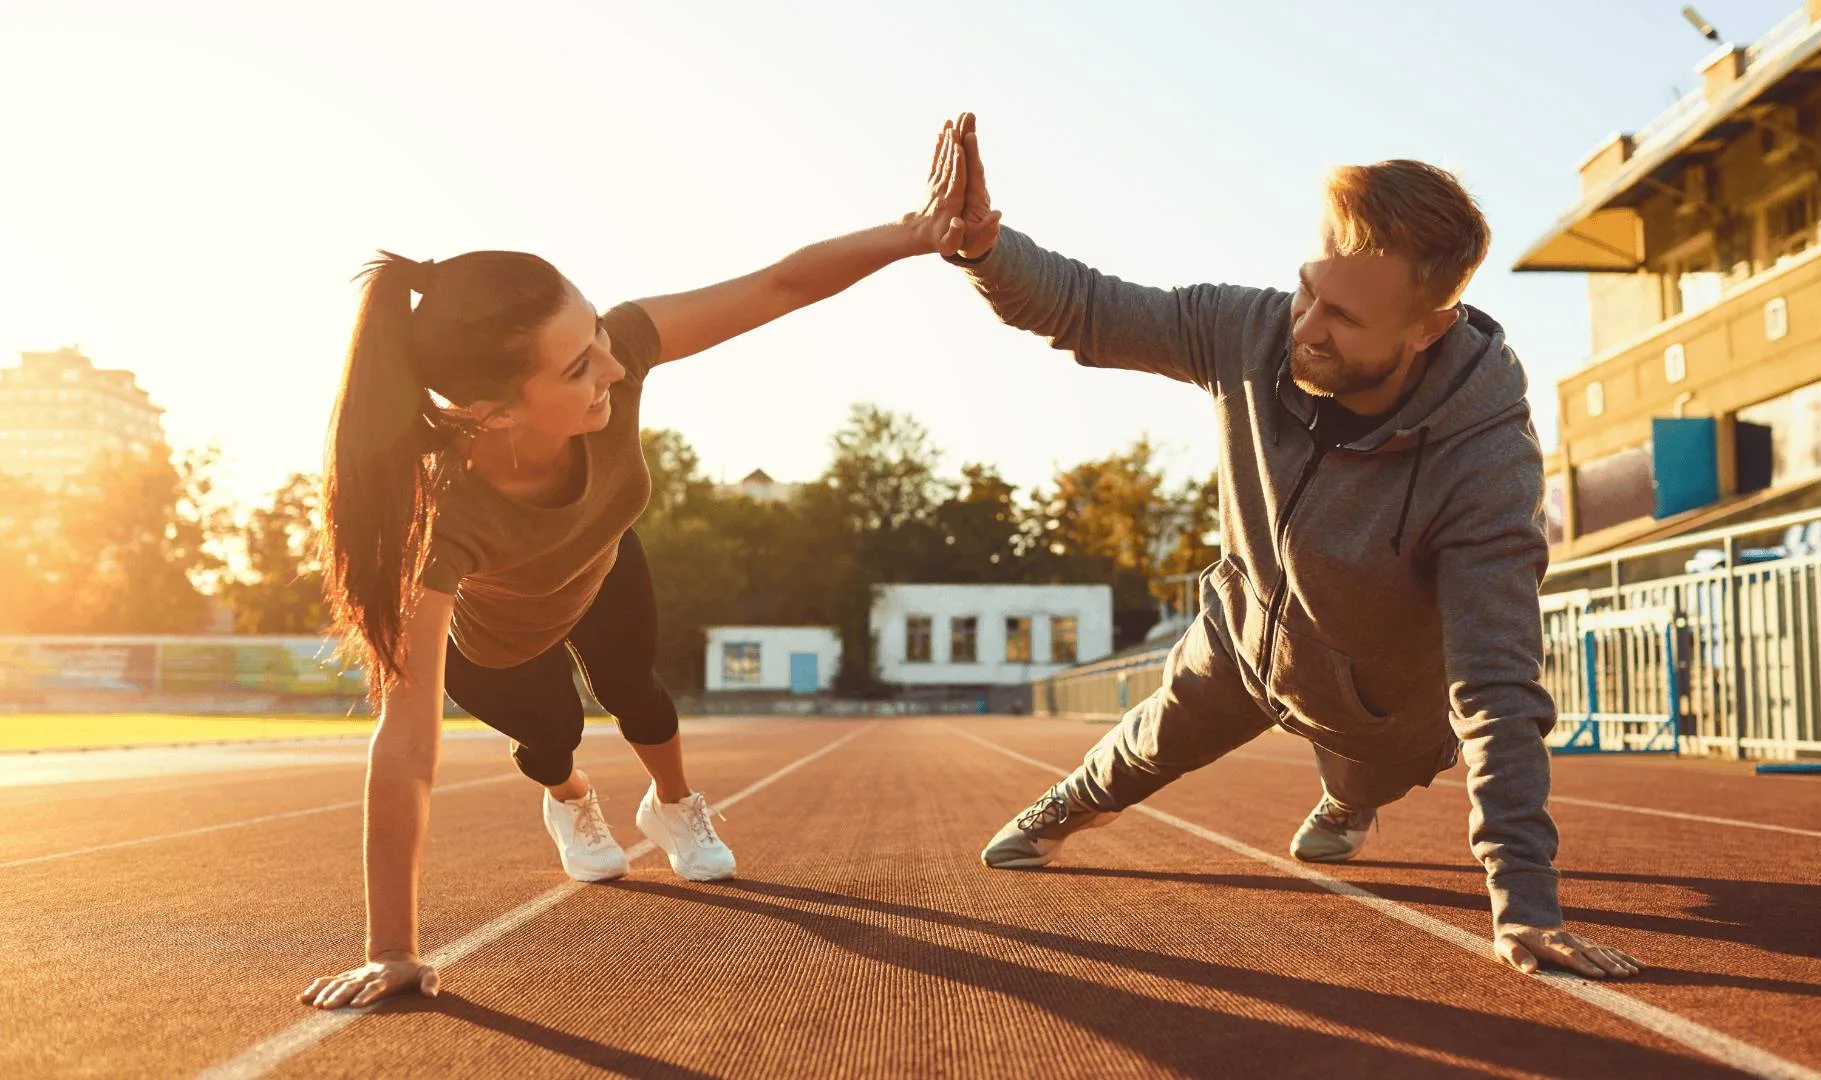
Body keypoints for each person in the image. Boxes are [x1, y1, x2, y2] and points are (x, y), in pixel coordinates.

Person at [300, 118, 975, 1010]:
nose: (615, 368)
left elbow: (776, 284)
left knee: (644, 698)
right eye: (580, 368)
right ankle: (572, 795)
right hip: (499, 642)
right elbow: (409, 742)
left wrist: (917, 233)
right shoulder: (444, 519)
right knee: (552, 736)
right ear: (493, 414)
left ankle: (672, 806)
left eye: (598, 335)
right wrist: (393, 949)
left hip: (603, 564)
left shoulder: (616, 355)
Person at [949, 113, 1642, 980]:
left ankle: (1349, 803)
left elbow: (1498, 683)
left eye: (1344, 318)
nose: (1307, 327)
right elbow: (1087, 307)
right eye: (1306, 290)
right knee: (1138, 749)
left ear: (1428, 327)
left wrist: (1525, 902)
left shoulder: (1486, 462)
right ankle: (1071, 805)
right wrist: (983, 248)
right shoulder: (1251, 332)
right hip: (1243, 645)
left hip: (1380, 707)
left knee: (1364, 782)